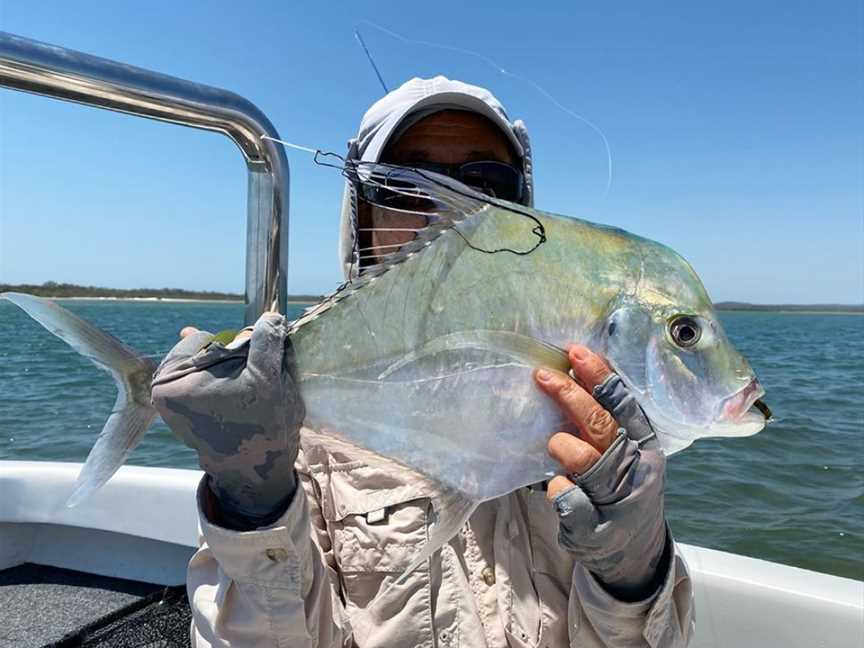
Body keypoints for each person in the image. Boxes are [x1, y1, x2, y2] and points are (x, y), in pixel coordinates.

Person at [152, 77, 695, 648]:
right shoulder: (291, 434)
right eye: (406, 187)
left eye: (484, 184)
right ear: (362, 217)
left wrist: (634, 573)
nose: (447, 215)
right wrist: (253, 510)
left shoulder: (594, 424)